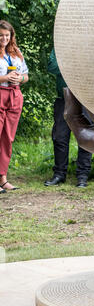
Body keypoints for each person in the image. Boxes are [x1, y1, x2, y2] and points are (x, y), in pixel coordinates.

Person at [44, 48, 92, 188]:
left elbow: (90, 70)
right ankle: (59, 174)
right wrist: (76, 66)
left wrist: (66, 65)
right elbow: (52, 67)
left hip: (84, 98)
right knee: (59, 137)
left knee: (85, 137)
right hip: (63, 98)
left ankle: (82, 177)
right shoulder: (59, 45)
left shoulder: (87, 44)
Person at [0, 20, 29, 193]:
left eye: (6, 35)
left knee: (7, 138)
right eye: (1, 35)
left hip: (15, 96)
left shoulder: (17, 52)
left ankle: (2, 178)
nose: (4, 38)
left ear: (11, 36)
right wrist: (5, 78)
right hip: (0, 93)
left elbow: (26, 75)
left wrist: (20, 79)